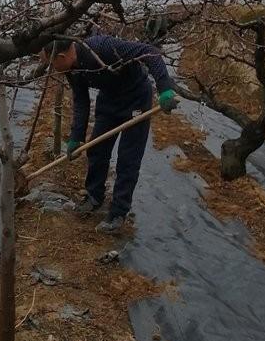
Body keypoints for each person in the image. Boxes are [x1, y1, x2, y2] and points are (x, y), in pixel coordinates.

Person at [48, 33, 178, 234]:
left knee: (128, 158)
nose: (51, 69)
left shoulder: (102, 47)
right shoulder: (72, 69)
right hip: (109, 100)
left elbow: (149, 52)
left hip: (136, 98)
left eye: (51, 64)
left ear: (62, 57)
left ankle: (118, 213)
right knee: (97, 150)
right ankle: (94, 197)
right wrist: (76, 137)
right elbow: (81, 101)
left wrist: (165, 89)